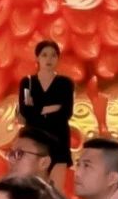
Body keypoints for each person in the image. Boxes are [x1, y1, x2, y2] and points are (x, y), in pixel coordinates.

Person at [15, 37, 78, 167]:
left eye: (53, 55)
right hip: (33, 141)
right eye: (44, 55)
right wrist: (51, 108)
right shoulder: (27, 83)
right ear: (37, 57)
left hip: (59, 139)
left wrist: (37, 109)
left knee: (56, 178)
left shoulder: (66, 83)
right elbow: (26, 111)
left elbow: (66, 113)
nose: (49, 59)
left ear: (58, 58)